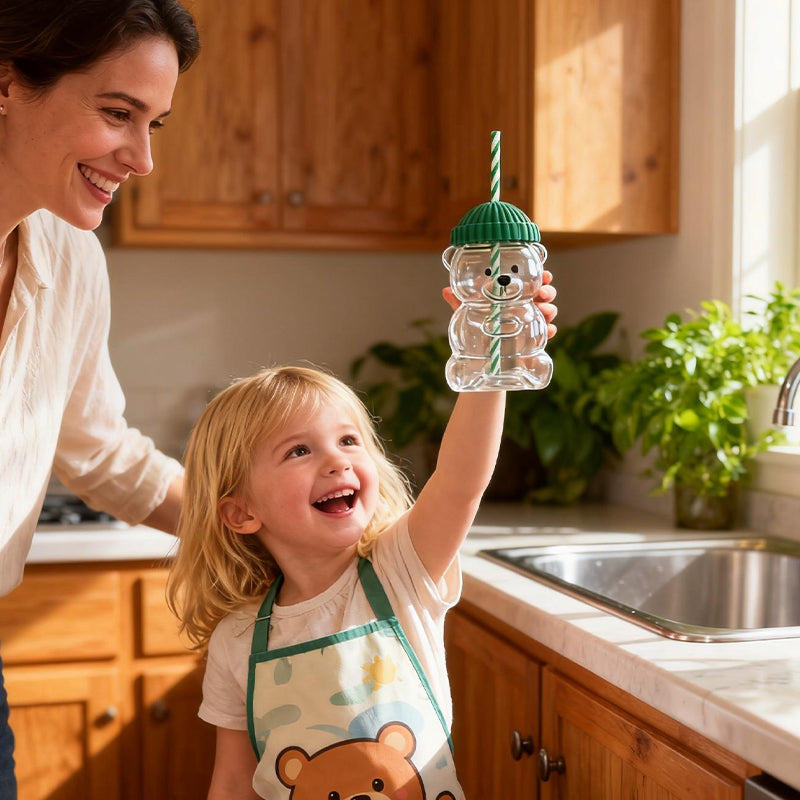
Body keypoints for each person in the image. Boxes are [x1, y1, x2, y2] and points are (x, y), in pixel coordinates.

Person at [167, 344, 545, 798]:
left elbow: (461, 480)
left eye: (348, 440)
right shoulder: (238, 639)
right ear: (242, 512)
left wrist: (487, 362)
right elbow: (232, 780)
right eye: (299, 451)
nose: (337, 460)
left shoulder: (399, 571)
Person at [0, 1, 200, 797]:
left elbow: (98, 451)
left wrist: (263, 515)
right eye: (119, 113)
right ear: (8, 80)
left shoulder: (70, 255)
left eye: (155, 124)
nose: (142, 158)